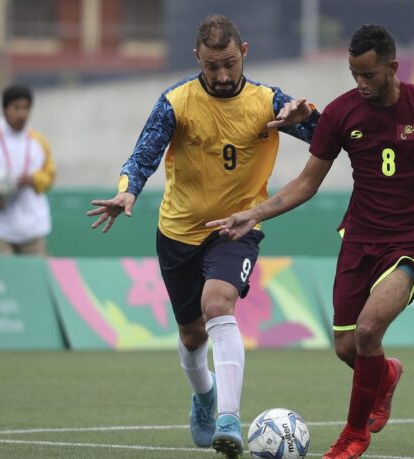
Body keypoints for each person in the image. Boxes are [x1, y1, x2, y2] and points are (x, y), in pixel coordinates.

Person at [207, 24, 414, 458]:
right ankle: (385, 374)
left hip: (412, 241)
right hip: (359, 239)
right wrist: (253, 213)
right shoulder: (341, 113)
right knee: (349, 346)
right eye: (354, 75)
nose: (361, 85)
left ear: (392, 67)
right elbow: (307, 183)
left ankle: (353, 436)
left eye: (369, 75)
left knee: (368, 329)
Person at [85, 15, 319, 459]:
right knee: (192, 335)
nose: (223, 75)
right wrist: (126, 192)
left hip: (239, 226)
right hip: (178, 231)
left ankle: (229, 419)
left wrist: (310, 118)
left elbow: (327, 136)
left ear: (244, 51)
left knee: (218, 305)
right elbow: (143, 156)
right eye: (212, 66)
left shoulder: (270, 102)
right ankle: (206, 395)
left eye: (230, 63)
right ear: (198, 59)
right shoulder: (176, 102)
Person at [0, 84, 56, 256]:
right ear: (5, 109)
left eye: (26, 108)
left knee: (35, 280)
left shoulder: (39, 142)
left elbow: (50, 177)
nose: (22, 114)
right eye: (16, 108)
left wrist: (33, 180)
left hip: (32, 228)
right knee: (0, 280)